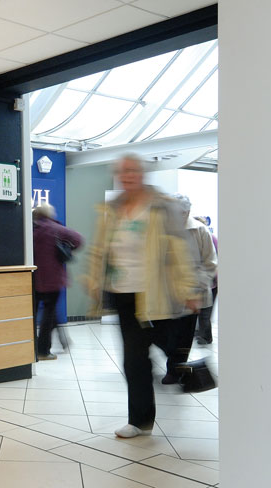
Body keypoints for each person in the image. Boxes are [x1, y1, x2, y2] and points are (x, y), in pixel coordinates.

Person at [86, 154, 199, 439]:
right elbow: (100, 249)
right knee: (134, 359)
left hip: (157, 291)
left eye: (133, 170)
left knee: (169, 343)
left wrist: (189, 288)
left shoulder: (162, 207)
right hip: (124, 293)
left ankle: (184, 367)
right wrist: (94, 278)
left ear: (143, 173)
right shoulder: (111, 210)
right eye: (122, 171)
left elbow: (180, 248)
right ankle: (140, 420)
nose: (128, 176)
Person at [161, 196, 216, 383]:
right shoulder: (163, 231)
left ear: (186, 212)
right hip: (167, 295)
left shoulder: (200, 231)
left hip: (192, 295)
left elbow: (210, 264)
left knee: (183, 336)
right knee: (166, 334)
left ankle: (174, 371)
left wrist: (196, 289)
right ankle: (175, 365)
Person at [32, 203, 83, 360]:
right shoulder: (56, 229)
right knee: (49, 313)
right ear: (50, 215)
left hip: (31, 278)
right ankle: (43, 350)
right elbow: (79, 239)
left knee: (32, 315)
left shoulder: (29, 230)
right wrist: (66, 246)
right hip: (52, 279)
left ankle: (31, 347)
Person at [195, 216, 218, 345]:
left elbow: (212, 261)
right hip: (207, 280)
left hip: (213, 281)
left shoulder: (210, 238)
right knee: (202, 309)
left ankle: (206, 337)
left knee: (206, 311)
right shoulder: (202, 238)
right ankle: (201, 334)